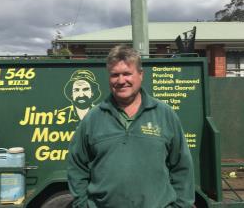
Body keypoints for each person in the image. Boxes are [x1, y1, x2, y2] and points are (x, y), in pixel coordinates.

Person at [68, 45, 195, 208]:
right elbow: (77, 166)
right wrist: (82, 204)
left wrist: (181, 205)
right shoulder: (93, 118)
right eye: (115, 75)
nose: (121, 81)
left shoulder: (165, 114)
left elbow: (182, 167)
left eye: (127, 73)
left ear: (140, 75)